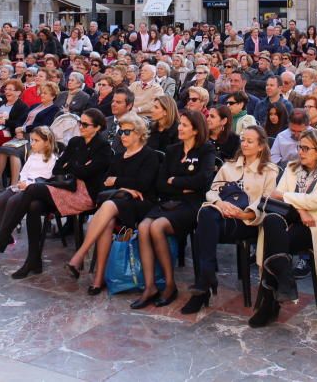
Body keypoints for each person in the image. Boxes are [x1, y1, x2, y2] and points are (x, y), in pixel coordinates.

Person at [0, 109, 113, 278]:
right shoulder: (75, 142)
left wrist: (73, 166)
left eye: (85, 124)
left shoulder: (103, 147)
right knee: (34, 205)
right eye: (80, 122)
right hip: (68, 187)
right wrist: (79, 166)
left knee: (33, 189)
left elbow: (87, 174)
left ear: (98, 127)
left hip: (86, 195)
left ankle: (3, 235)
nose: (80, 126)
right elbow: (59, 168)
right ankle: (33, 260)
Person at [248, 128, 317, 327]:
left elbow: (316, 201)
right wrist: (301, 210)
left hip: (316, 226)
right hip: (292, 220)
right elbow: (277, 194)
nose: (300, 152)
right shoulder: (292, 167)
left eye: (306, 148)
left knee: (273, 243)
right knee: (272, 221)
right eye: (300, 147)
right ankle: (285, 281)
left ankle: (270, 304)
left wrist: (297, 206)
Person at [181, 124, 280, 315]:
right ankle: (206, 278)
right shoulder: (229, 166)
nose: (244, 144)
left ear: (261, 146)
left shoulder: (269, 170)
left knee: (205, 224)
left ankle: (204, 283)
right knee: (208, 213)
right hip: (223, 217)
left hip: (248, 221)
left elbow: (267, 201)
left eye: (250, 141)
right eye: (243, 140)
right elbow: (212, 191)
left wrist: (244, 214)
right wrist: (219, 203)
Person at [64, 113, 159, 294]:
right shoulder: (119, 157)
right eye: (120, 132)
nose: (122, 135)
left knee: (107, 207)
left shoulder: (149, 155)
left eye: (126, 132)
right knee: (106, 221)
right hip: (120, 202)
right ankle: (99, 279)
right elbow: (103, 183)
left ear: (139, 134)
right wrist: (125, 188)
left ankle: (80, 255)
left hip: (142, 204)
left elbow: (143, 184)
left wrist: (118, 183)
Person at [131, 110, 216, 310]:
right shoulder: (172, 150)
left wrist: (175, 180)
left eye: (185, 125)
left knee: (157, 227)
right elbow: (160, 183)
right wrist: (182, 184)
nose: (180, 128)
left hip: (192, 204)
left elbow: (203, 182)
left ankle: (170, 285)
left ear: (196, 130)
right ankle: (150, 286)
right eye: (180, 124)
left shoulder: (206, 150)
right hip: (169, 201)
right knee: (143, 227)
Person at [0, 127, 58, 254]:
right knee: (1, 200)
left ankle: (1, 237)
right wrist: (22, 181)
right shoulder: (33, 155)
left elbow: (45, 179)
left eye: (36, 141)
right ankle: (4, 236)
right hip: (24, 185)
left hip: (35, 189)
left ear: (47, 142)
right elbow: (24, 171)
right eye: (31, 140)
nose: (32, 144)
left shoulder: (51, 159)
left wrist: (28, 184)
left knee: (12, 201)